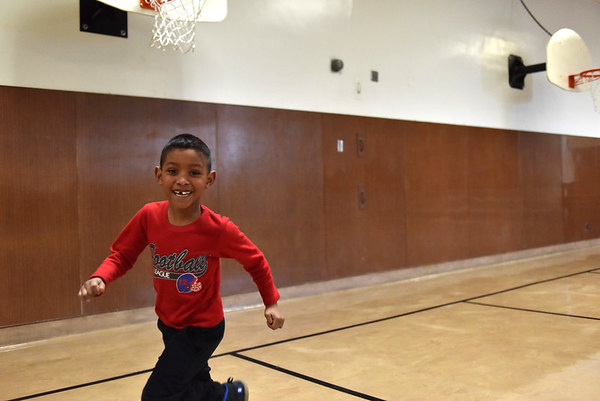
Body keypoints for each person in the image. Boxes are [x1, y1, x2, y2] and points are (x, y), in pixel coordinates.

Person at [78, 133, 285, 401]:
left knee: (157, 395)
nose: (182, 180)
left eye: (194, 172)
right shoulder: (148, 216)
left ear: (209, 179)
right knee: (188, 385)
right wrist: (101, 277)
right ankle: (225, 396)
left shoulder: (218, 229)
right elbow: (122, 255)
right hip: (168, 322)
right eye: (173, 171)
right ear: (159, 175)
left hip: (201, 328)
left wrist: (271, 302)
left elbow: (255, 261)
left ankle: (228, 393)